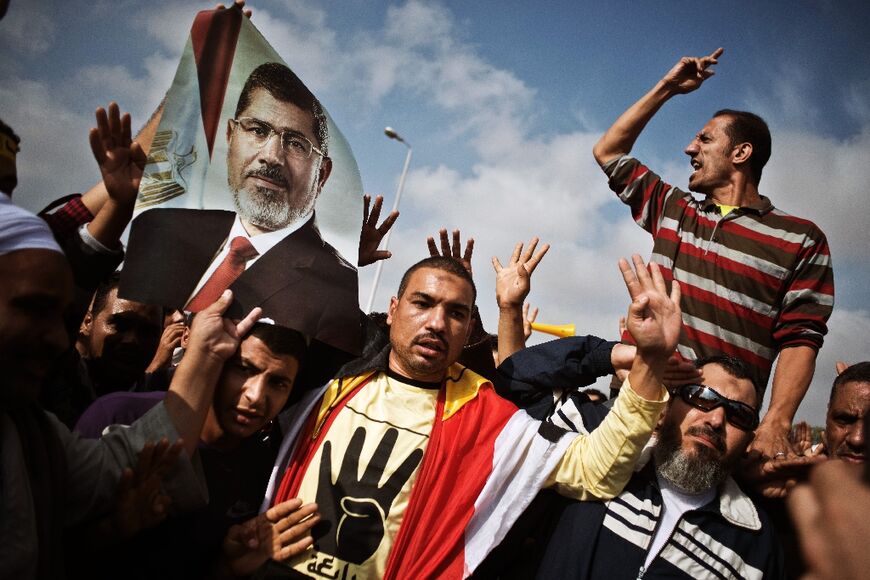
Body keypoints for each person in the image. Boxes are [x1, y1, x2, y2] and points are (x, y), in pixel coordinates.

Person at [242, 247, 678, 578]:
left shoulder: (489, 420)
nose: (436, 323)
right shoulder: (330, 379)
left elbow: (596, 470)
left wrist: (652, 361)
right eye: (422, 304)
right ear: (393, 311)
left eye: (455, 313)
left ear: (469, 328)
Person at [0, 187, 266, 578]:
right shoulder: (107, 412)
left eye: (59, 316)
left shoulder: (30, 441)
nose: (57, 338)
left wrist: (207, 354)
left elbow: (117, 468)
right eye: (32, 308)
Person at [592, 48, 835, 460]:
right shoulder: (674, 209)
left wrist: (776, 421)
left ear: (741, 153)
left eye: (705, 139)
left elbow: (801, 339)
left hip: (715, 431)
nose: (690, 148)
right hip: (637, 407)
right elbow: (609, 151)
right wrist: (668, 88)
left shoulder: (801, 239)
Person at [120, 61, 360, 354]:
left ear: (322, 173)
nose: (271, 156)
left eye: (296, 144)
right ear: (231, 137)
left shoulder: (336, 289)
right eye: (258, 130)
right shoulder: (163, 227)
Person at [73, 322, 318, 579]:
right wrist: (112, 530)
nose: (256, 396)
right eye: (243, 369)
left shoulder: (270, 467)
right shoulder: (120, 415)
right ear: (217, 358)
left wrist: (226, 566)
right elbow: (50, 541)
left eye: (278, 383)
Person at [526, 356, 782, 579]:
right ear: (667, 405)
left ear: (750, 439)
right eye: (702, 397)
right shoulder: (597, 442)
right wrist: (611, 354)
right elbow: (520, 386)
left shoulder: (755, 545)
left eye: (739, 415)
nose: (716, 419)